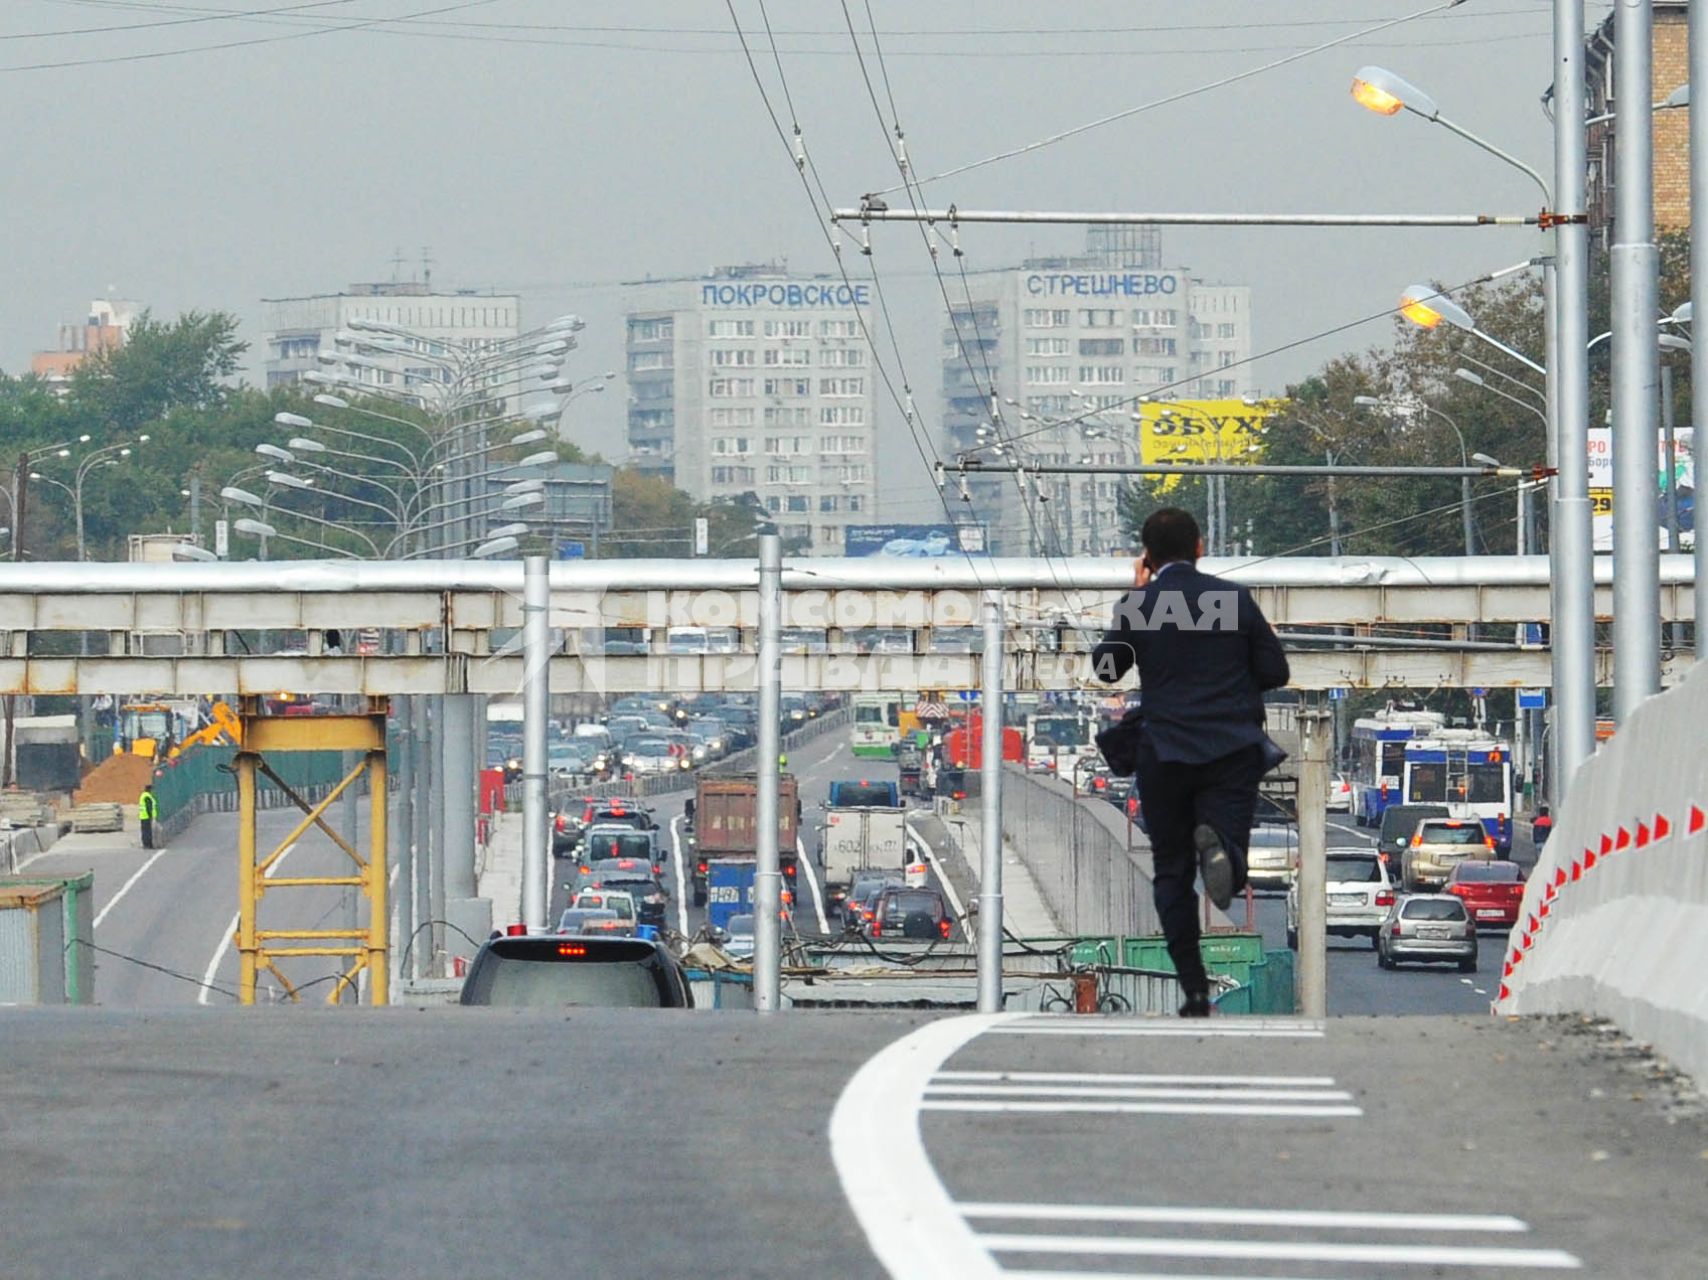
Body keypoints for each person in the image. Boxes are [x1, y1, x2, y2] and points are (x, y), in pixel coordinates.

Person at [1092, 507, 1290, 1017]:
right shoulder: (1232, 599)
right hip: (1229, 748)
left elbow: (1109, 669)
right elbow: (1275, 669)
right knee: (1231, 854)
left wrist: (1133, 602)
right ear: (1200, 547)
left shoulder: (1144, 604)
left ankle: (1196, 991)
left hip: (1166, 752)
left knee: (1170, 875)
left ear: (1148, 557)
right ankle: (1221, 848)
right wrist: (1232, 678)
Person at [138, 783, 160, 850]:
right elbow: (149, 807)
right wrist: (151, 816)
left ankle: (146, 844)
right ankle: (148, 844)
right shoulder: (147, 796)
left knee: (144, 831)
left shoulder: (143, 795)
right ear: (149, 790)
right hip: (147, 816)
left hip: (143, 816)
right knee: (148, 831)